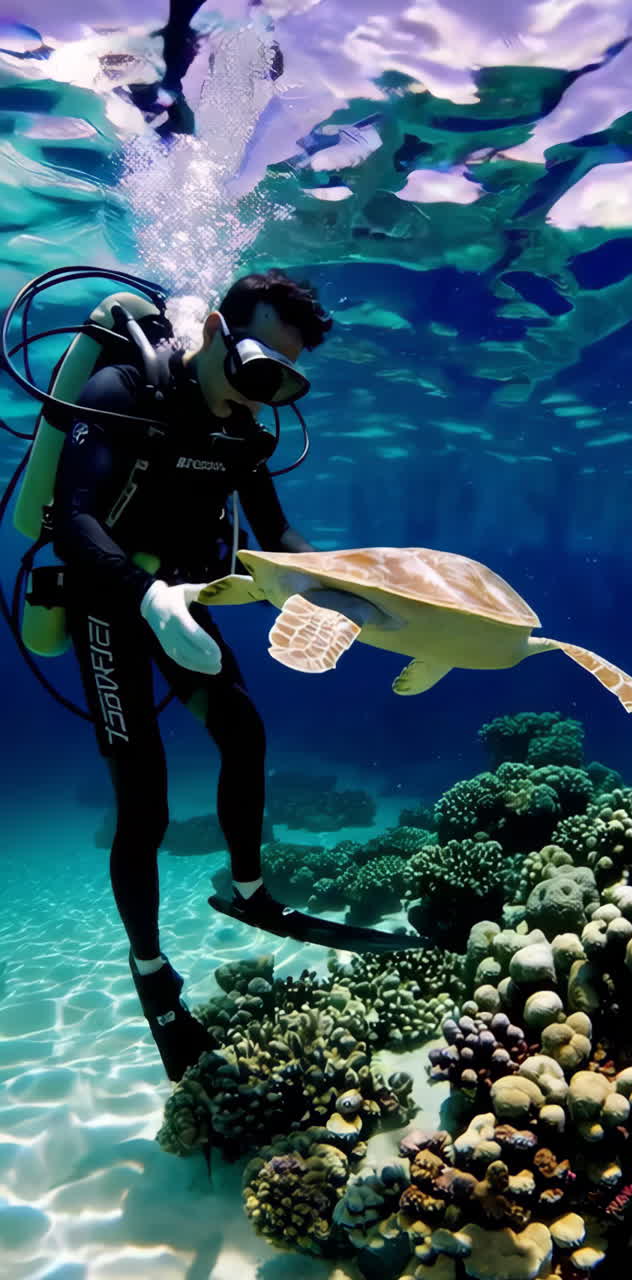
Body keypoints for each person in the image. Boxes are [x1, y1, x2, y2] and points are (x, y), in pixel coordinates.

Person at [52, 269, 332, 1081]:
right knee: (143, 799)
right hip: (111, 603)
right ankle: (152, 973)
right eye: (256, 363)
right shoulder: (123, 391)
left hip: (181, 597)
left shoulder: (245, 434)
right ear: (212, 330)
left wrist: (354, 586)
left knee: (243, 730)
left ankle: (247, 888)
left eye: (281, 377)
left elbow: (276, 536)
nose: (260, 391)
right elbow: (72, 519)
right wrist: (144, 599)